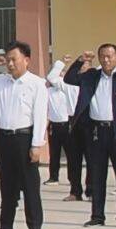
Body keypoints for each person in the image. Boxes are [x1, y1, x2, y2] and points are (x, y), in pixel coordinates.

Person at [65, 44, 116, 228]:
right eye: (102, 56)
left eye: (109, 56)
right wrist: (80, 60)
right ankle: (97, 216)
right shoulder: (92, 76)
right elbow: (70, 79)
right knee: (97, 176)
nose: (106, 60)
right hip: (96, 132)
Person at [0, 42, 48, 229]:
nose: (10, 64)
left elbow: (40, 115)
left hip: (24, 139)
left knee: (30, 188)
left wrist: (37, 144)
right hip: (3, 139)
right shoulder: (1, 82)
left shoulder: (36, 84)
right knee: (7, 188)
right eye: (7, 60)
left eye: (14, 59)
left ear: (26, 60)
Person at [43, 56, 83, 200]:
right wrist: (62, 62)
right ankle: (63, 182)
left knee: (79, 158)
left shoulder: (82, 86)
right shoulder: (58, 88)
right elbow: (51, 77)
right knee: (58, 154)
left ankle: (89, 190)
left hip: (74, 124)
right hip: (59, 124)